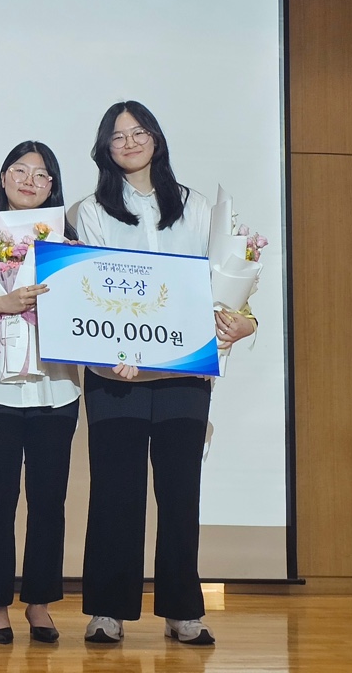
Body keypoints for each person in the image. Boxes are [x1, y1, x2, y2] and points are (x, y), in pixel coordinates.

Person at [75, 102, 256, 648]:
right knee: (116, 494)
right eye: (118, 136)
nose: (130, 142)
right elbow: (90, 286)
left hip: (184, 375)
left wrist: (243, 322)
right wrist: (109, 351)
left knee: (180, 494)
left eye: (139, 132)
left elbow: (225, 281)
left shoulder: (197, 206)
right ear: (105, 148)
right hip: (114, 373)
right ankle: (108, 610)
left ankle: (182, 610)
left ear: (156, 138)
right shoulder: (91, 211)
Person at [0, 141, 81, 644]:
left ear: (53, 186)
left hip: (55, 386)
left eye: (41, 174)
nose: (29, 181)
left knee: (49, 499)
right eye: (19, 170)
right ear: (3, 177)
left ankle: (39, 602)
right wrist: (3, 302)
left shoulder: (68, 242)